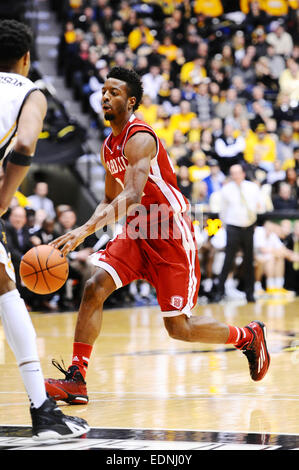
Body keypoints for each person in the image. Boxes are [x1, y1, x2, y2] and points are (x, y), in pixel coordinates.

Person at [44, 67, 270, 406]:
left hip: (168, 231)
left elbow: (132, 194)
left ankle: (248, 336)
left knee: (179, 328)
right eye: (103, 91)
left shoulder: (140, 138)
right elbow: (109, 198)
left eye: (115, 92)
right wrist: (89, 230)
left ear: (131, 101)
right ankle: (77, 379)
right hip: (136, 231)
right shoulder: (109, 146)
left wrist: (83, 230)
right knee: (94, 287)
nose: (106, 96)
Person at [0, 19, 89, 439]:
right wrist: (4, 196)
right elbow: (25, 143)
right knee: (9, 297)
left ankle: (44, 411)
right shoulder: (29, 92)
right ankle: (44, 414)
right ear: (27, 59)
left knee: (5, 289)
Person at [213, 164, 262, 303]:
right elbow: (223, 211)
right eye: (233, 173)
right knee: (228, 260)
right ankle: (219, 293)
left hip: (249, 227)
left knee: (249, 261)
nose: (235, 175)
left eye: (238, 172)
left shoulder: (253, 187)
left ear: (243, 173)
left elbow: (260, 205)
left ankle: (250, 294)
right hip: (233, 228)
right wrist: (226, 226)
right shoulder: (226, 189)